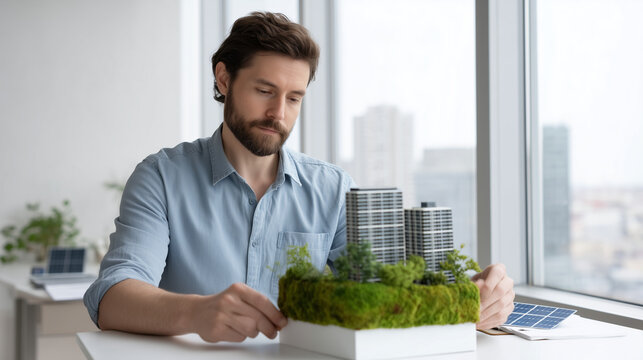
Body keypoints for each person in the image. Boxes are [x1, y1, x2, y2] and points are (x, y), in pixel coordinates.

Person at [84, 12, 514, 343]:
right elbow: (111, 298)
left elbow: (386, 295)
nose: (279, 114)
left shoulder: (332, 189)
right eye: (264, 91)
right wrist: (196, 313)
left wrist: (466, 299)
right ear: (224, 78)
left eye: (294, 98)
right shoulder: (161, 176)